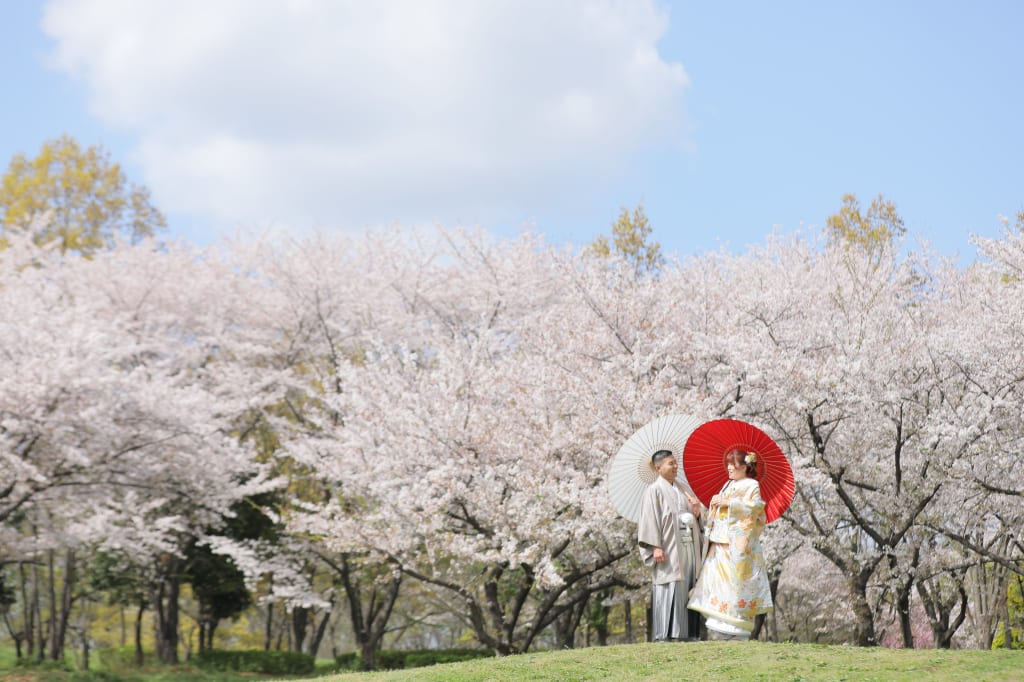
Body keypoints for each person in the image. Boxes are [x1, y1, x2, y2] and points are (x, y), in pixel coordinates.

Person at [688, 448, 773, 640]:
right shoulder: (727, 484)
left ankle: (734, 622)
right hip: (719, 541)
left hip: (736, 546)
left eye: (733, 465)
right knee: (716, 582)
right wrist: (711, 505)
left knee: (734, 584)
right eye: (727, 464)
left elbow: (756, 508)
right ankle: (718, 621)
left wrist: (730, 503)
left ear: (744, 466)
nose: (729, 468)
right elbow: (720, 510)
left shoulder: (752, 485)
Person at [637, 449, 705, 641]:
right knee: (670, 584)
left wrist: (697, 512)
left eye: (676, 463)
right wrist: (655, 546)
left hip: (689, 544)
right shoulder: (654, 490)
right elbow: (649, 520)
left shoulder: (683, 489)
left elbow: (694, 518)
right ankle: (667, 634)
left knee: (690, 583)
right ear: (658, 468)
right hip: (668, 547)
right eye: (671, 463)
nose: (676, 467)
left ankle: (690, 633)